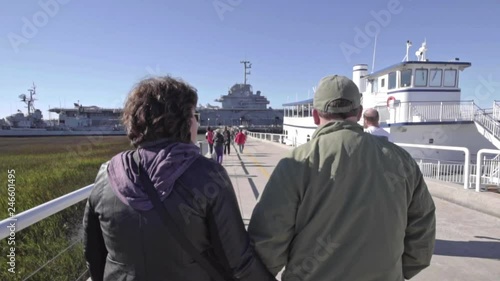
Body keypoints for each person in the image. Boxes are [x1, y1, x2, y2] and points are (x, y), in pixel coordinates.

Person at [83, 76, 275, 281]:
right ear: (183, 121)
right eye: (194, 115)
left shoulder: (107, 174)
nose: (197, 122)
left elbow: (93, 255)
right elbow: (239, 262)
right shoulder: (208, 174)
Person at [248, 75, 436, 281]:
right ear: (358, 112)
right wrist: (400, 271)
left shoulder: (296, 162)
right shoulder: (402, 160)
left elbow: (268, 240)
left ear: (315, 115)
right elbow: (423, 229)